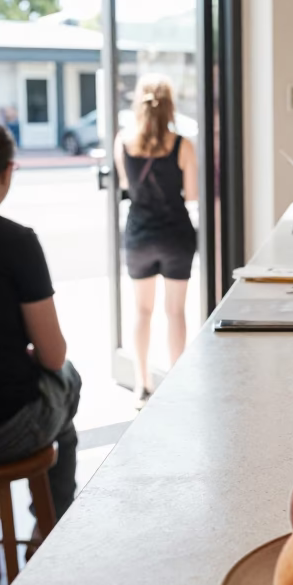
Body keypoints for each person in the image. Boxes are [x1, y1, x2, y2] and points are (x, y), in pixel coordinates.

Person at [0, 119, 80, 524]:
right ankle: (52, 531)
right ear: (7, 173)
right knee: (68, 381)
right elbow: (53, 356)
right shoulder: (15, 242)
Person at [114, 75, 198, 407]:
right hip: (176, 233)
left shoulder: (124, 142)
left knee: (141, 311)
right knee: (175, 311)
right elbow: (191, 195)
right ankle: (175, 383)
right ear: (170, 107)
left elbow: (126, 184)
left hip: (139, 234)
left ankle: (142, 385)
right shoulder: (182, 145)